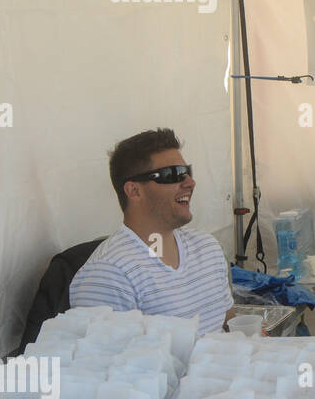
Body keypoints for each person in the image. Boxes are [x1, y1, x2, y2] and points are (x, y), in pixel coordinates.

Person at [69, 128, 233, 335]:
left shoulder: (207, 247)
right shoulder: (108, 275)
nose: (190, 182)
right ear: (134, 191)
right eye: (172, 175)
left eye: (186, 172)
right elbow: (105, 363)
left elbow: (228, 326)